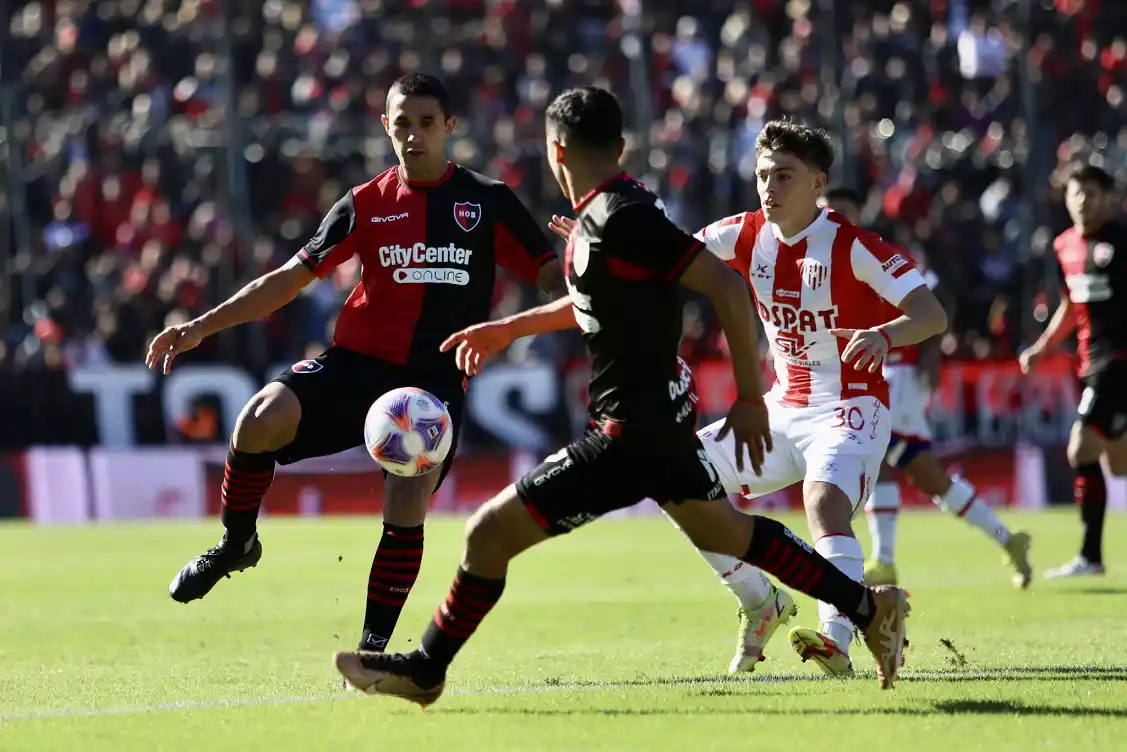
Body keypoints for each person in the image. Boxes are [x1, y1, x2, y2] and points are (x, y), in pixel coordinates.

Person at [331, 88, 911, 704]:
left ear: (555, 150)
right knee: (733, 534)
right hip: (659, 425)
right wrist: (510, 327)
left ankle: (425, 671)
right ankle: (868, 610)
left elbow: (726, 288)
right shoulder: (612, 213)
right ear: (621, 148)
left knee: (487, 535)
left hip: (626, 435)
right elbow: (604, 300)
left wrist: (747, 397)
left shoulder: (620, 218)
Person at [146, 73, 564, 653]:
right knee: (257, 419)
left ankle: (370, 651)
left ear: (449, 127)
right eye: (402, 125)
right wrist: (198, 328)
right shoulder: (365, 203)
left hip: (433, 383)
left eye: (425, 124)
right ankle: (237, 544)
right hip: (357, 365)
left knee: (405, 497)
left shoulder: (487, 201)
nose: (413, 136)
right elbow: (289, 280)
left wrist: (594, 252)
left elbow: (550, 274)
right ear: (386, 127)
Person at [544, 123, 946, 679]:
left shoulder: (853, 245)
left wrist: (884, 334)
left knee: (824, 501)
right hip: (782, 410)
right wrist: (599, 248)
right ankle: (762, 602)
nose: (769, 187)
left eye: (784, 176)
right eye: (762, 176)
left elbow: (932, 314)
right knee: (675, 481)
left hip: (850, 409)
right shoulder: (742, 234)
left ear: (817, 183)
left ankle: (839, 639)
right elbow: (661, 260)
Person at [821, 187, 1032, 590]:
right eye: (833, 212)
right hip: (864, 375)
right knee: (930, 478)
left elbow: (939, 298)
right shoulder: (819, 263)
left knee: (877, 451)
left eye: (847, 212)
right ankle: (1009, 540)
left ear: (859, 214)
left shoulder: (878, 251)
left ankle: (883, 561)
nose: (840, 219)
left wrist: (932, 351)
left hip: (898, 372)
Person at [1019, 164, 1127, 579]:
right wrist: (1042, 348)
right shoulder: (1065, 245)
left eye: (1092, 194)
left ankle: (1090, 556)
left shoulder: (1121, 240)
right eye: (1076, 194)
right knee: (1118, 464)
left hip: (1118, 362)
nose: (1083, 201)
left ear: (1108, 198)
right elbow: (1069, 304)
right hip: (1089, 360)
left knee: (1079, 449)